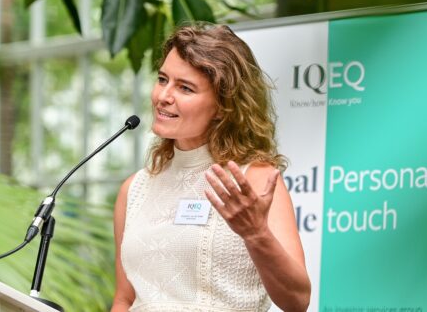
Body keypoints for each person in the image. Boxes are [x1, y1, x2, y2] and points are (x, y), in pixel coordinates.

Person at [111, 24, 311, 312]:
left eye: (185, 88)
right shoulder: (133, 190)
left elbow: (297, 300)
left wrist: (256, 233)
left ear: (222, 106)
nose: (163, 96)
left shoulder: (255, 180)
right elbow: (125, 299)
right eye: (163, 79)